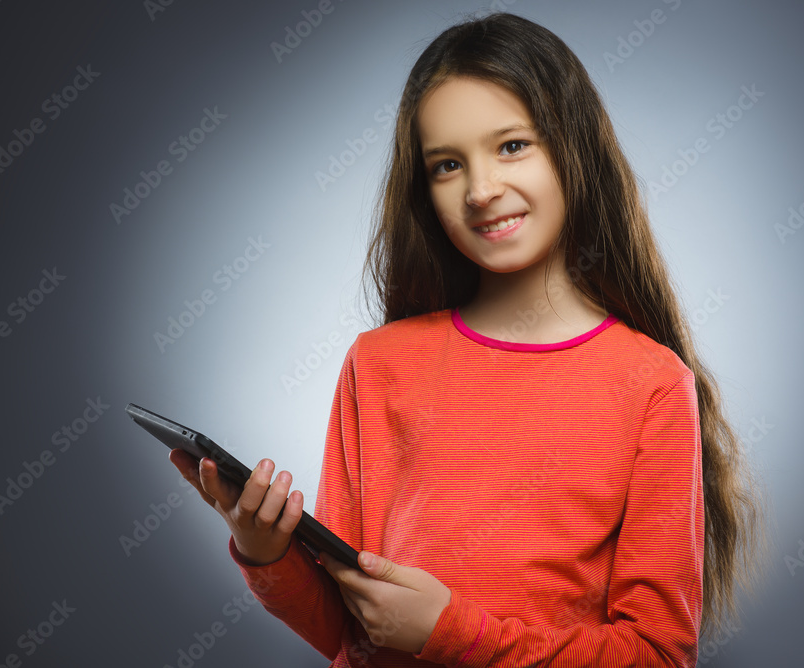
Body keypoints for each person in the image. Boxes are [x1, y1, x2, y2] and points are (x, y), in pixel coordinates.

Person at [170, 11, 767, 667]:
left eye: (512, 146)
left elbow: (656, 653)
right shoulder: (378, 365)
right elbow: (349, 633)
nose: (482, 191)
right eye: (448, 165)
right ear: (425, 190)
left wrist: (456, 633)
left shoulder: (652, 384)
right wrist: (266, 552)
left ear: (576, 151)